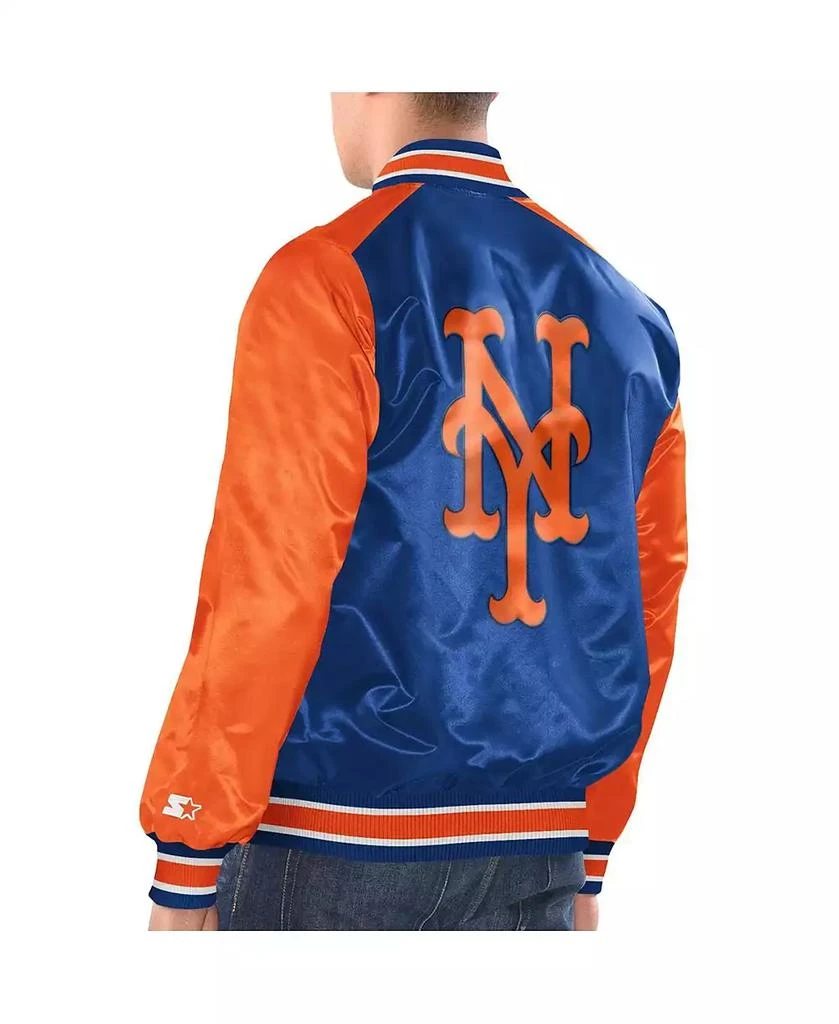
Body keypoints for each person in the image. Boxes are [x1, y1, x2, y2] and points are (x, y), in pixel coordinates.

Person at [141, 92, 687, 931]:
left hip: (335, 845)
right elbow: (646, 598)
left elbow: (270, 581)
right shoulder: (630, 315)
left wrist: (189, 845)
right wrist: (595, 841)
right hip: (541, 846)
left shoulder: (328, 275)